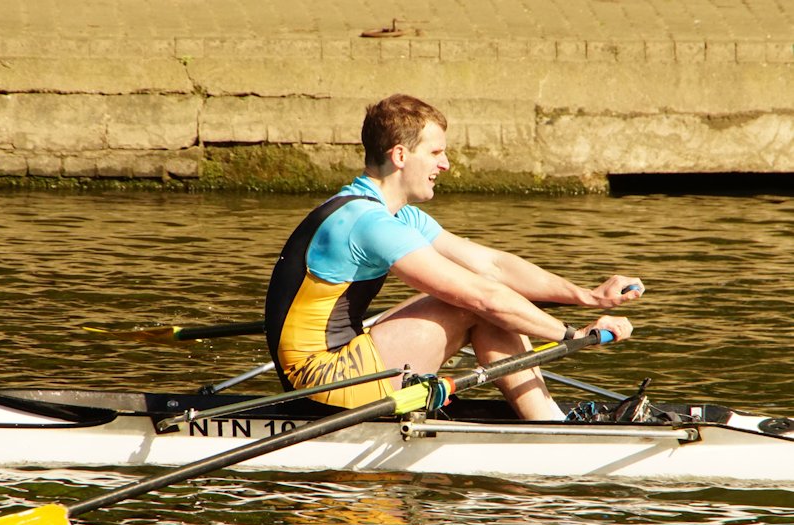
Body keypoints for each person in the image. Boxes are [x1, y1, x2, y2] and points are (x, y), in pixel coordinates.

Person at [264, 94, 643, 420]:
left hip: (340, 361)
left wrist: (588, 296)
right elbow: (482, 297)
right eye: (435, 153)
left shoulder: (398, 215)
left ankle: (550, 420)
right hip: (322, 383)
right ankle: (551, 427)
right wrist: (572, 335)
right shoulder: (368, 223)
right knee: (475, 304)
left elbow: (493, 266)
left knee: (486, 295)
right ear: (400, 155)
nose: (445, 165)